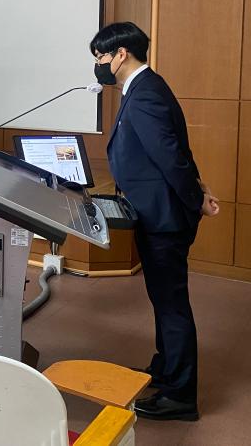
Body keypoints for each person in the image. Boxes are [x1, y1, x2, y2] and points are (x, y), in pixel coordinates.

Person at [91, 22, 219, 422]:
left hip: (164, 217)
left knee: (171, 306)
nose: (98, 64)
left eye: (101, 56)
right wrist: (198, 189)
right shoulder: (145, 88)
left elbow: (169, 156)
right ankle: (165, 368)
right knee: (163, 301)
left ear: (122, 54)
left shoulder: (145, 93)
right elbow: (176, 149)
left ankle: (181, 396)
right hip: (156, 211)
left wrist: (196, 199)